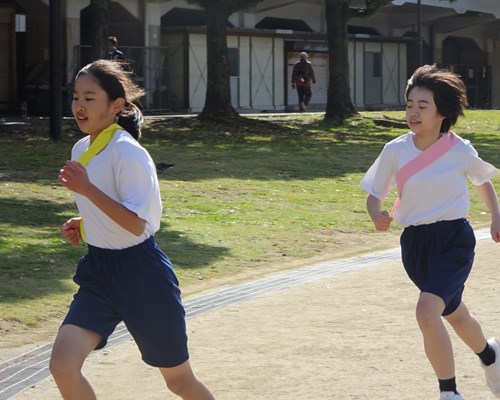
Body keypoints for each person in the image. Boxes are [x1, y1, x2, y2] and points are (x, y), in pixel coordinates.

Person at [50, 59, 215, 400]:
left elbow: (138, 223)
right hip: (99, 272)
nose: (79, 106)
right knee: (62, 366)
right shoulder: (81, 148)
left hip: (142, 276)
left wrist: (87, 191)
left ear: (116, 106)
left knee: (179, 382)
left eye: (90, 98)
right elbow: (112, 208)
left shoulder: (129, 153)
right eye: (76, 97)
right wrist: (85, 224)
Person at [360, 64, 500, 400]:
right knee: (455, 314)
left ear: (442, 113)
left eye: (423, 106)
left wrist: (496, 217)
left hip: (454, 240)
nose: (413, 112)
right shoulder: (395, 149)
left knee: (426, 311)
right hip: (415, 244)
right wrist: (375, 213)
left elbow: (483, 181)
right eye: (409, 105)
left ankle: (449, 393)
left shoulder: (459, 149)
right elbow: (374, 193)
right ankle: (491, 357)